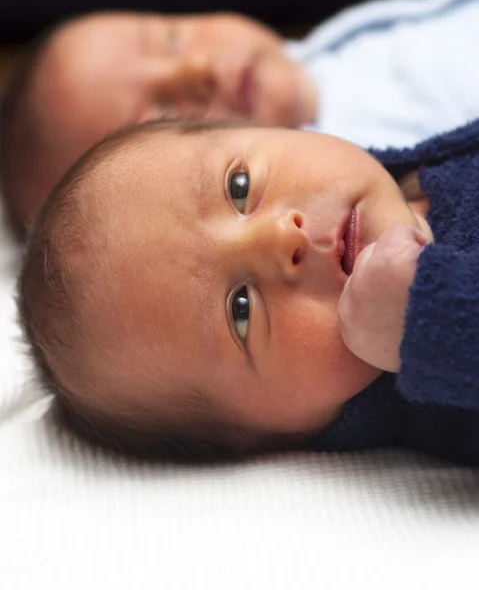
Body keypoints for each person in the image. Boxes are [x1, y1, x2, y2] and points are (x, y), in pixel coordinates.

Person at [18, 114, 479, 466]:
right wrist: (430, 320)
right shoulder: (447, 401)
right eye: (241, 310)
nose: (279, 237)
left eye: (239, 188)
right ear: (277, 435)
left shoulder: (416, 170)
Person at [2, 0, 479, 234]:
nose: (196, 66)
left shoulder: (313, 53)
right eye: (162, 111)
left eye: (170, 37)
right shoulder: (357, 172)